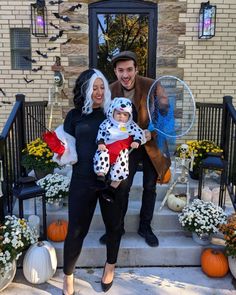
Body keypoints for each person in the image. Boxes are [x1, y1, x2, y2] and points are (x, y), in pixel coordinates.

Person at [99, 51, 171, 247]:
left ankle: (145, 227)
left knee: (149, 187)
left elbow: (165, 116)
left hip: (149, 145)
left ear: (136, 69)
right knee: (122, 186)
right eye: (121, 70)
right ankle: (117, 228)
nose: (125, 74)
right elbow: (106, 121)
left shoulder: (152, 85)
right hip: (125, 147)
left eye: (129, 69)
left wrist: (152, 132)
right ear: (115, 71)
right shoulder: (110, 90)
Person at [62, 69, 123, 295]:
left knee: (114, 226)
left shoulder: (113, 114)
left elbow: (126, 140)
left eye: (101, 87)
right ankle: (68, 278)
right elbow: (66, 149)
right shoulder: (74, 116)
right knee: (76, 231)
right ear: (85, 90)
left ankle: (110, 266)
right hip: (82, 180)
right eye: (93, 88)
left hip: (110, 181)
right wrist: (59, 151)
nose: (98, 92)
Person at [94, 97, 147, 202]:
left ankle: (111, 189)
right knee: (101, 155)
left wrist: (137, 141)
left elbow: (139, 133)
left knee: (122, 168)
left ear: (129, 116)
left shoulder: (131, 125)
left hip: (121, 151)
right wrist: (100, 142)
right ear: (112, 112)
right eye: (118, 113)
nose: (121, 117)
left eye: (125, 115)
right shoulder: (107, 123)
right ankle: (100, 177)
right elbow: (101, 132)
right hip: (107, 147)